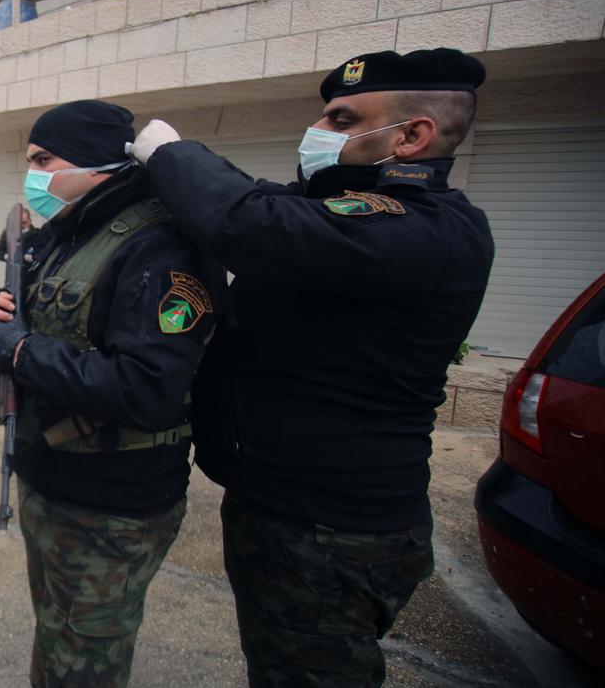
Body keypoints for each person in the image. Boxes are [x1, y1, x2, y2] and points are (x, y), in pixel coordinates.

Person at [130, 48, 495, 687]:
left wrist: (171, 154)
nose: (319, 134)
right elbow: (267, 206)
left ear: (412, 136)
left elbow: (244, 218)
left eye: (342, 119)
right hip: (290, 511)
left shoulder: (427, 230)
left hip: (329, 530)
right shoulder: (344, 218)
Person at [0, 100, 225, 687]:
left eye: (43, 159)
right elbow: (46, 317)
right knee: (58, 635)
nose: (31, 175)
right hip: (50, 480)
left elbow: (146, 389)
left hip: (110, 507)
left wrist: (18, 351)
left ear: (93, 165)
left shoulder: (159, 248)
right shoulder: (66, 233)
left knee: (84, 664)